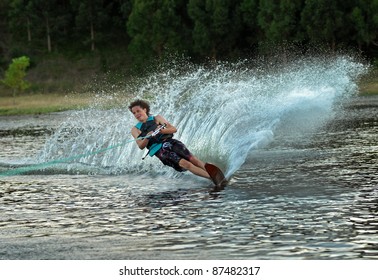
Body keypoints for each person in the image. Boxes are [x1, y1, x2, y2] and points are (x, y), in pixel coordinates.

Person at [128, 99, 210, 179]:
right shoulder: (135, 130)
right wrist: (147, 138)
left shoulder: (157, 118)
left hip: (171, 142)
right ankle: (212, 178)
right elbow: (141, 146)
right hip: (160, 151)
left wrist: (161, 131)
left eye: (138, 111)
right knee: (186, 164)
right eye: (134, 113)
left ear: (145, 109)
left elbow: (173, 129)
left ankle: (213, 174)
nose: (136, 114)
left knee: (193, 159)